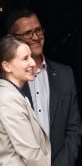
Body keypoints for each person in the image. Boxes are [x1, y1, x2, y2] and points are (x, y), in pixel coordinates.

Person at [5, 9, 82, 166]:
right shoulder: (7, 83)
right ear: (12, 39)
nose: (35, 37)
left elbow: (74, 129)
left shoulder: (64, 74)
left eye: (38, 30)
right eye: (28, 33)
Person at [0, 35, 51, 165]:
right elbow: (31, 154)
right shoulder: (9, 99)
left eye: (31, 57)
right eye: (25, 59)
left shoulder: (11, 93)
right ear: (7, 66)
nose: (33, 63)